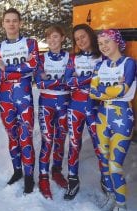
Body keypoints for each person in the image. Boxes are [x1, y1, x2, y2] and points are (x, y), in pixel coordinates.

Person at [90, 29, 136, 211]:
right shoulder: (100, 65)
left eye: (107, 41)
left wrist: (104, 90)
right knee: (103, 160)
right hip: (102, 117)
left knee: (115, 164)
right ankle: (110, 197)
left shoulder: (129, 63)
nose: (104, 46)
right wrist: (111, 90)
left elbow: (124, 89)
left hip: (122, 115)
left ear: (117, 41)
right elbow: (93, 92)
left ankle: (121, 205)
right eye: (100, 44)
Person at [0, 8, 39, 194]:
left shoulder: (30, 43)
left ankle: (29, 177)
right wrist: (19, 68)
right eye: (7, 21)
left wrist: (7, 68)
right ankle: (17, 171)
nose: (11, 24)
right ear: (3, 24)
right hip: (5, 97)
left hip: (24, 95)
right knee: (12, 136)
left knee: (25, 136)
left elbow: (33, 65)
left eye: (14, 20)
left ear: (20, 23)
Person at [64, 23, 103, 200]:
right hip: (75, 107)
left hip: (96, 108)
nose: (80, 41)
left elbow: (102, 81)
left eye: (83, 37)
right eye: (77, 39)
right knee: (74, 145)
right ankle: (73, 180)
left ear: (90, 36)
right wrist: (91, 78)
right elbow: (67, 81)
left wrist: (79, 79)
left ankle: (107, 180)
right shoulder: (73, 59)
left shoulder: (102, 56)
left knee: (100, 145)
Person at [34, 25, 70, 199]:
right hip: (46, 103)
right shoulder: (41, 59)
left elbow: (71, 82)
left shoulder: (70, 58)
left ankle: (56, 170)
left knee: (61, 139)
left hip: (64, 102)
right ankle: (43, 177)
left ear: (63, 38)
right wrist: (61, 80)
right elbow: (39, 83)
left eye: (56, 37)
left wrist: (50, 80)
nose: (52, 40)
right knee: (47, 139)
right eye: (49, 38)